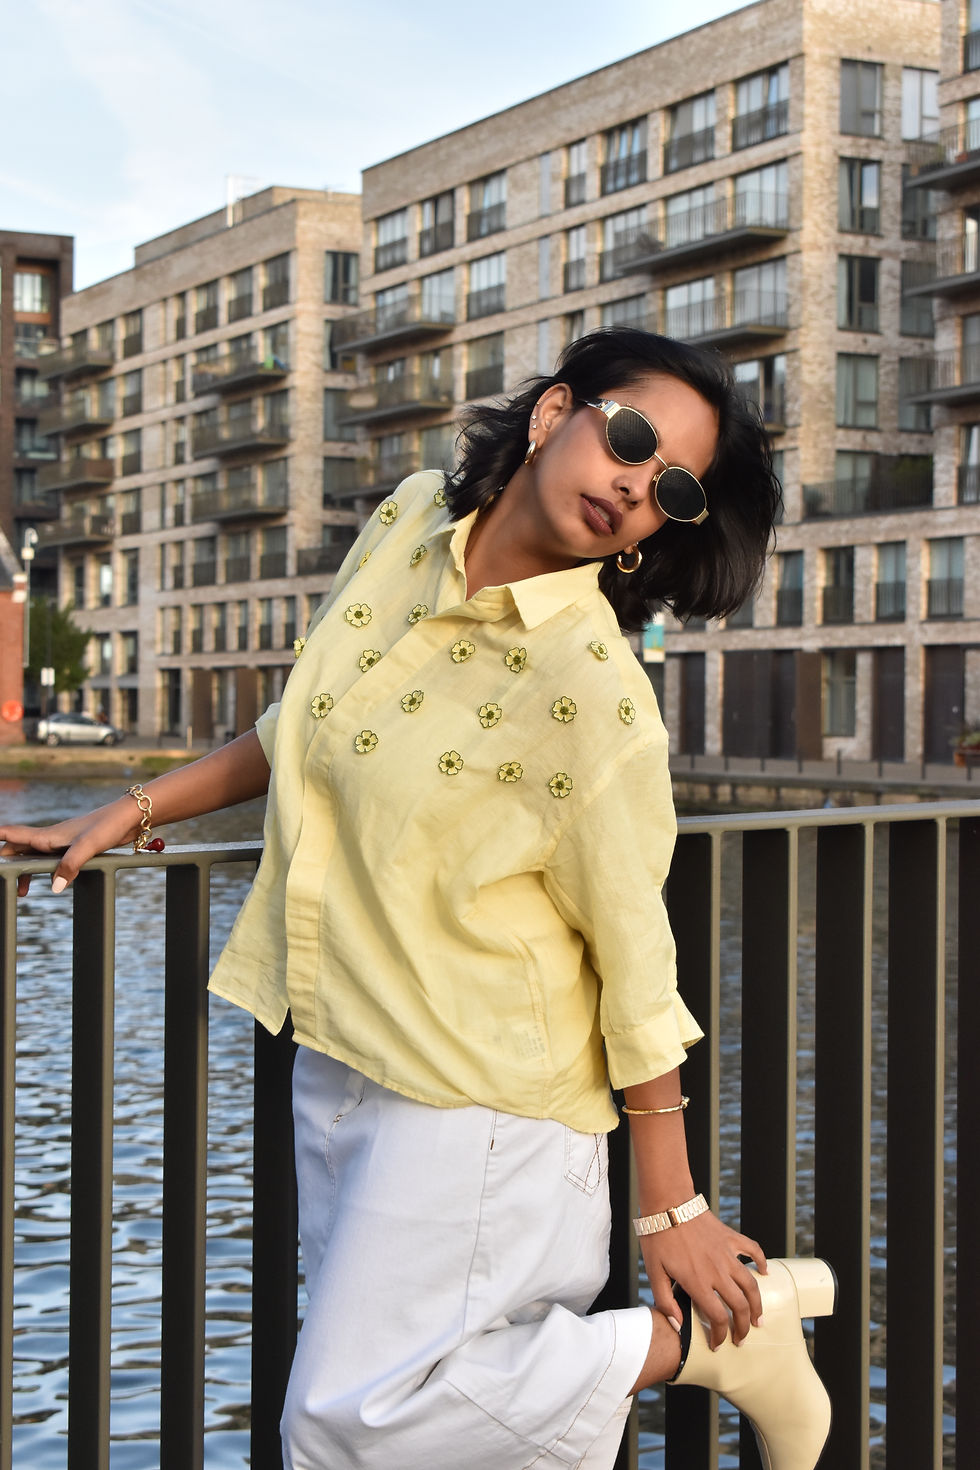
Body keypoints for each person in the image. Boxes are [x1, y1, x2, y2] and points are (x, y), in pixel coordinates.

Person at [0, 329, 835, 1470]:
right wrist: (132, 808)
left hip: (483, 1102)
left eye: (670, 489)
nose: (636, 486)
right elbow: (307, 722)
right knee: (409, 1433)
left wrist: (671, 1209)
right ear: (555, 415)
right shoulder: (404, 522)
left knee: (345, 1423)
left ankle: (701, 1348)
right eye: (631, 439)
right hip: (342, 1050)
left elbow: (638, 963)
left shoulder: (595, 696)